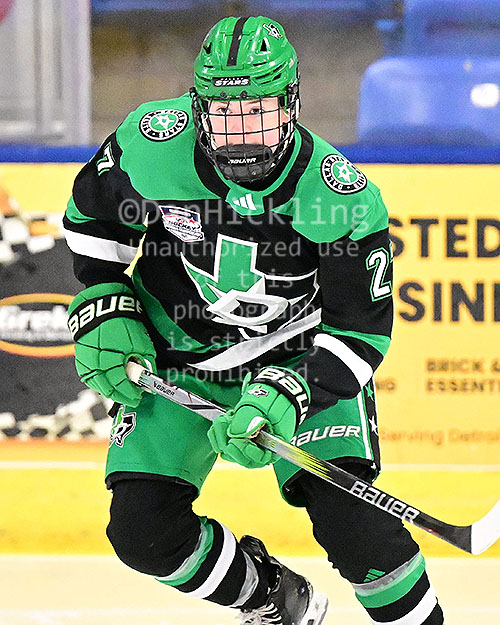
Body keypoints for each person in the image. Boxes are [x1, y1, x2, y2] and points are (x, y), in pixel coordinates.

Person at [64, 16, 444, 625]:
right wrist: (106, 300)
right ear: (197, 108)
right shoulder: (151, 144)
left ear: (291, 104)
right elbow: (94, 221)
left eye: (258, 112)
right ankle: (274, 599)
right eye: (224, 113)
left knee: (359, 535)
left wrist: (291, 390)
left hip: (298, 360)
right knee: (144, 533)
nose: (241, 135)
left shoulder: (339, 197)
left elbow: (359, 330)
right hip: (177, 357)